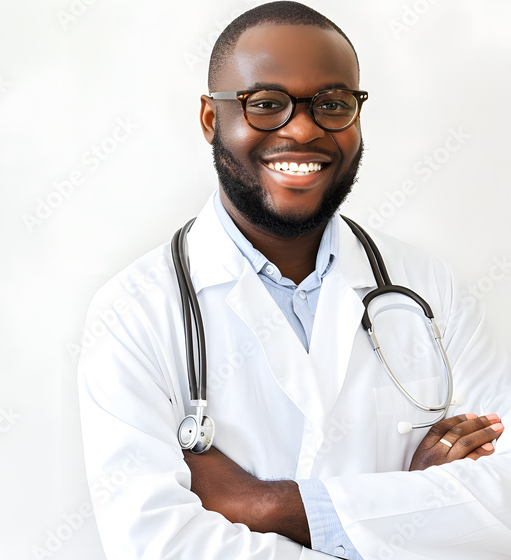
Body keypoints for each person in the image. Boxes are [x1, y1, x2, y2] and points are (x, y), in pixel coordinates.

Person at [76, 2, 511, 559]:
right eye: (265, 104)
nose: (303, 128)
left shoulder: (428, 286)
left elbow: (504, 500)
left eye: (332, 103)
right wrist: (406, 510)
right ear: (210, 118)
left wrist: (267, 505)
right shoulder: (134, 309)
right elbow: (159, 544)